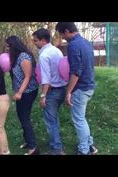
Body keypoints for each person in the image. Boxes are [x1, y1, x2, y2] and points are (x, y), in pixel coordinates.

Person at [55, 22, 98, 155]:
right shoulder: (86, 42)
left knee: (79, 120)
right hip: (89, 85)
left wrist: (68, 92)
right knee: (81, 118)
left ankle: (83, 150)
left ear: (67, 31)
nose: (62, 37)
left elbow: (76, 71)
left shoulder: (73, 45)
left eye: (62, 34)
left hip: (80, 88)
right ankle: (90, 145)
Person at [32, 28, 68, 155]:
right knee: (54, 119)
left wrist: (43, 96)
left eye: (35, 40)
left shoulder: (44, 55)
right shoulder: (57, 50)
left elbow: (46, 78)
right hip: (62, 89)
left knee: (51, 121)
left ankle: (56, 149)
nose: (34, 42)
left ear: (43, 41)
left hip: (52, 92)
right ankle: (56, 143)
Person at [6, 35, 39, 155]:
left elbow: (28, 76)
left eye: (8, 47)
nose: (7, 49)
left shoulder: (24, 57)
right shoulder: (16, 57)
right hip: (22, 91)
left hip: (27, 92)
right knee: (22, 116)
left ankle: (33, 148)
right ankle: (28, 141)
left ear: (14, 46)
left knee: (24, 118)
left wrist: (19, 93)